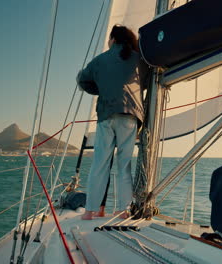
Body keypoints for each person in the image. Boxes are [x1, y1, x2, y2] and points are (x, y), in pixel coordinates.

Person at [77, 25, 149, 220]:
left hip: (106, 115)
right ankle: (123, 210)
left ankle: (90, 211)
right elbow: (149, 80)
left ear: (113, 39)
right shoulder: (140, 59)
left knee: (100, 164)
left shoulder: (100, 60)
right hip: (130, 117)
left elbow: (82, 80)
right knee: (124, 165)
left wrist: (102, 88)